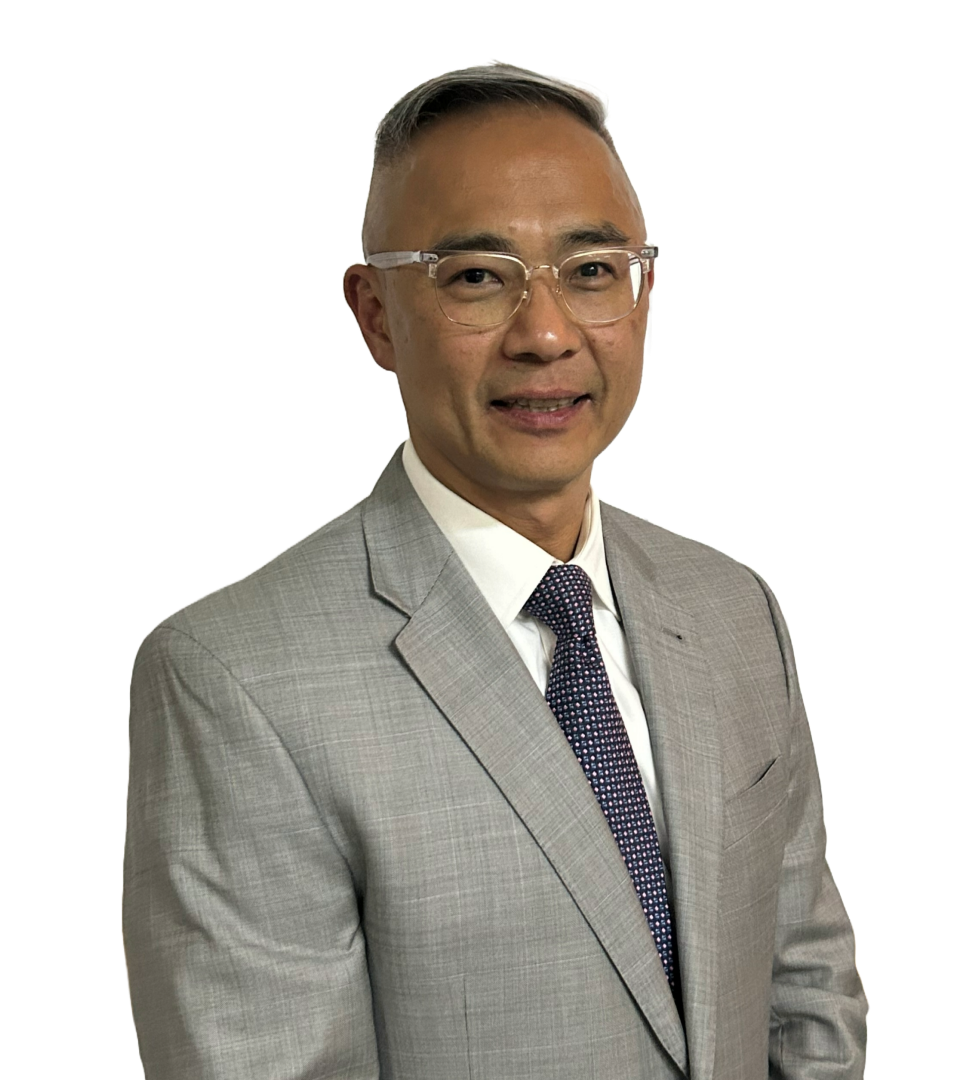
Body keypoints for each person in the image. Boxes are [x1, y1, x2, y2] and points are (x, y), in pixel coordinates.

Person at [124, 61, 868, 1079]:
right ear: (375, 315)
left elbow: (808, 986)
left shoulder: (734, 605)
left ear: (646, 295)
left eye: (592, 270)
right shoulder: (234, 677)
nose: (547, 334)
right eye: (476, 276)